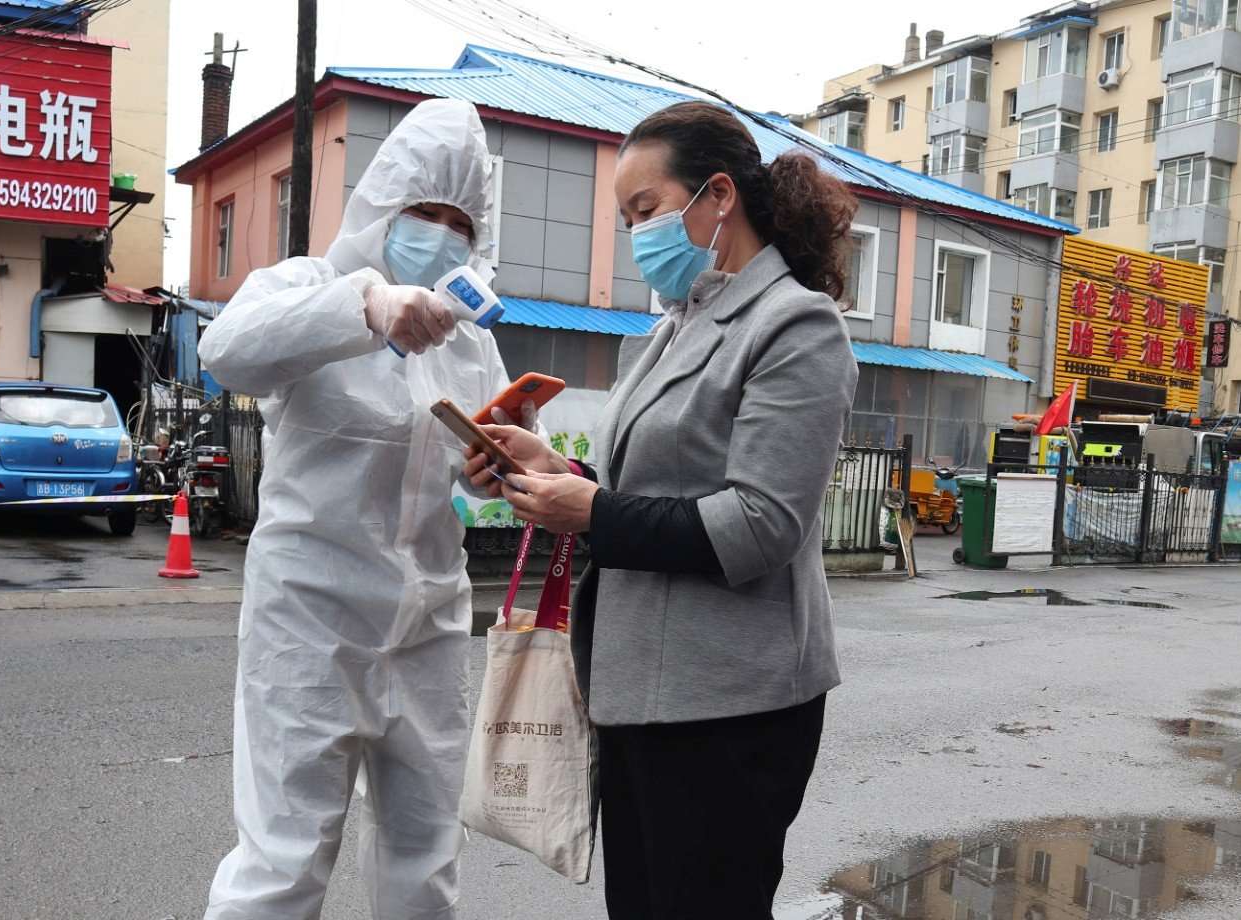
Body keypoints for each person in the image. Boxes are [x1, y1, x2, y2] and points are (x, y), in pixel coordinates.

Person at [463, 100, 859, 919]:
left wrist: (591, 512)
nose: (637, 233)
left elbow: (761, 524)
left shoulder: (796, 326)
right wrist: (549, 471)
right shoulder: (672, 328)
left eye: (646, 210)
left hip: (730, 704)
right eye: (627, 218)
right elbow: (641, 485)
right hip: (636, 688)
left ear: (719, 196)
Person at [198, 98, 532, 920]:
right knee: (284, 858)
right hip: (311, 620)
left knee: (427, 851)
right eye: (425, 212)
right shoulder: (306, 286)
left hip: (429, 622)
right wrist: (364, 308)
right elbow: (226, 352)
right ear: (383, 205)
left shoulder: (469, 339)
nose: (442, 235)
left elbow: (471, 468)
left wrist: (495, 468)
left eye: (460, 223)